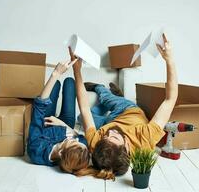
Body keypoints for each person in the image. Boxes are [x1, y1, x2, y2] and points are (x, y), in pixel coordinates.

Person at [70, 33, 178, 180]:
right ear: (126, 148)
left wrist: (76, 70)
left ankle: (102, 93)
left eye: (106, 137)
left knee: (82, 115)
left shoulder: (98, 145)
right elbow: (170, 99)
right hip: (129, 111)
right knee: (105, 102)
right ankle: (107, 92)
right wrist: (169, 60)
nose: (110, 133)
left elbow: (83, 108)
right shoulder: (145, 139)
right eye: (114, 137)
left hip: (114, 116)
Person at [27, 59, 90, 175]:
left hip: (46, 120)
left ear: (60, 152)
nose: (75, 139)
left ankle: (56, 80)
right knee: (70, 82)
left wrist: (56, 74)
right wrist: (63, 125)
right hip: (65, 124)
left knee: (55, 84)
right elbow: (82, 138)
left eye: (71, 141)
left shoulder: (37, 150)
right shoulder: (79, 150)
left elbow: (39, 108)